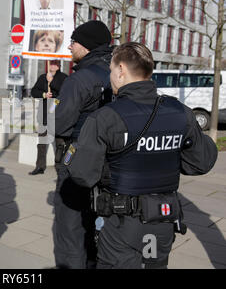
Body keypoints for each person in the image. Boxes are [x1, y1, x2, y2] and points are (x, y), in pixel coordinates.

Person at [65, 42, 218, 268]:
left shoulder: (105, 117)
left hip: (120, 226)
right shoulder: (180, 112)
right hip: (163, 221)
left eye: (111, 71)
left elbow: (83, 174)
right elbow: (202, 162)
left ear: (120, 70)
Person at [52, 20, 114, 269]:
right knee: (98, 225)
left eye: (74, 41)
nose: (69, 46)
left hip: (77, 159)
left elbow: (58, 124)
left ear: (86, 46)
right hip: (109, 161)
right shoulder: (116, 73)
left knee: (71, 228)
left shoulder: (79, 80)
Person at [29, 60, 67, 175]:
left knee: (60, 144)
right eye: (51, 64)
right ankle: (40, 166)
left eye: (55, 64)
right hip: (44, 116)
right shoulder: (42, 77)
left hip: (57, 117)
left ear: (59, 66)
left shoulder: (64, 78)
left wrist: (52, 82)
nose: (53, 66)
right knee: (41, 143)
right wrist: (43, 95)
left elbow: (64, 92)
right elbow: (34, 91)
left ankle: (60, 167)